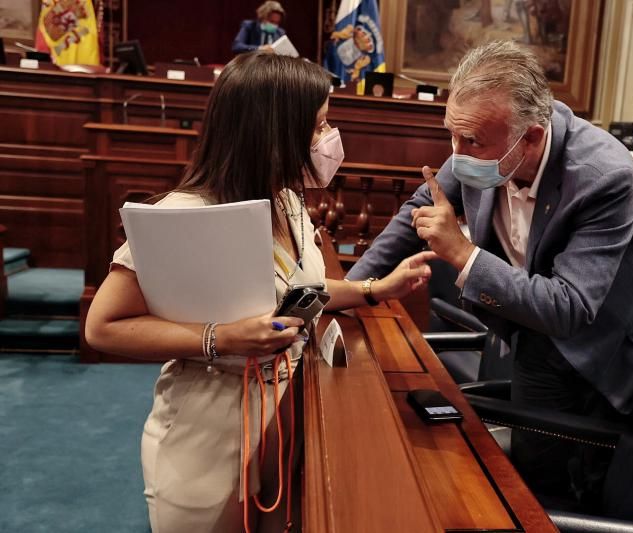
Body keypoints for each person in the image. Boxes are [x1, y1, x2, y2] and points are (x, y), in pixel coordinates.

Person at [84, 52, 435, 533]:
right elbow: (103, 327)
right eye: (318, 126)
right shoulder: (183, 214)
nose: (328, 140)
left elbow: (299, 289)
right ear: (273, 132)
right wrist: (219, 338)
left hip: (287, 415)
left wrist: (374, 288)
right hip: (209, 433)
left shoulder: (286, 199)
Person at [347, 40, 633, 508]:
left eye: (471, 142)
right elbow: (417, 211)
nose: (457, 155)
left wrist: (464, 254)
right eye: (452, 136)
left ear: (531, 138)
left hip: (619, 337)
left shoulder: (603, 175)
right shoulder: (482, 140)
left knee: (589, 484)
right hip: (542, 329)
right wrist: (346, 292)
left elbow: (571, 307)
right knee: (534, 472)